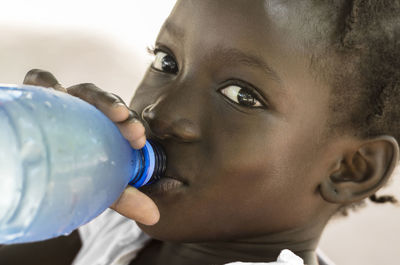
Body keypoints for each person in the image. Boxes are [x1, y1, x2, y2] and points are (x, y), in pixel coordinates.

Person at [1, 0, 399, 264]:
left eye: (242, 95)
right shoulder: (112, 226)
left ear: (350, 170)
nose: (162, 112)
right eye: (167, 61)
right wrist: (42, 163)